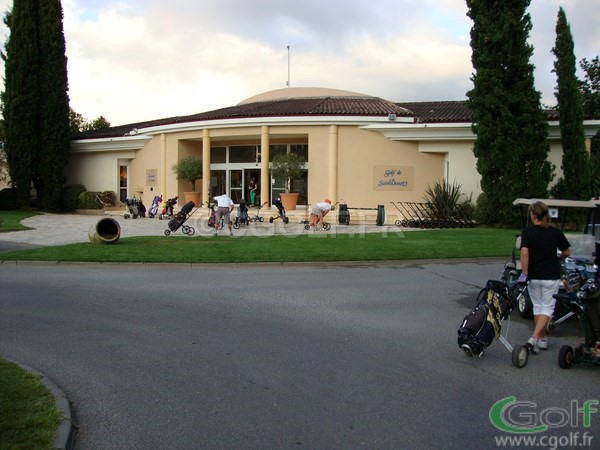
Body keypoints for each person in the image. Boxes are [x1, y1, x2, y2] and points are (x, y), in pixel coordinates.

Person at [519, 201, 570, 353]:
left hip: (534, 275)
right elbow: (567, 252)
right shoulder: (555, 232)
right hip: (551, 275)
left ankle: (540, 339)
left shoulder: (527, 232)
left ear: (533, 215)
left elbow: (525, 253)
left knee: (538, 307)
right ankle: (536, 338)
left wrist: (525, 272)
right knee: (547, 308)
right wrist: (558, 259)